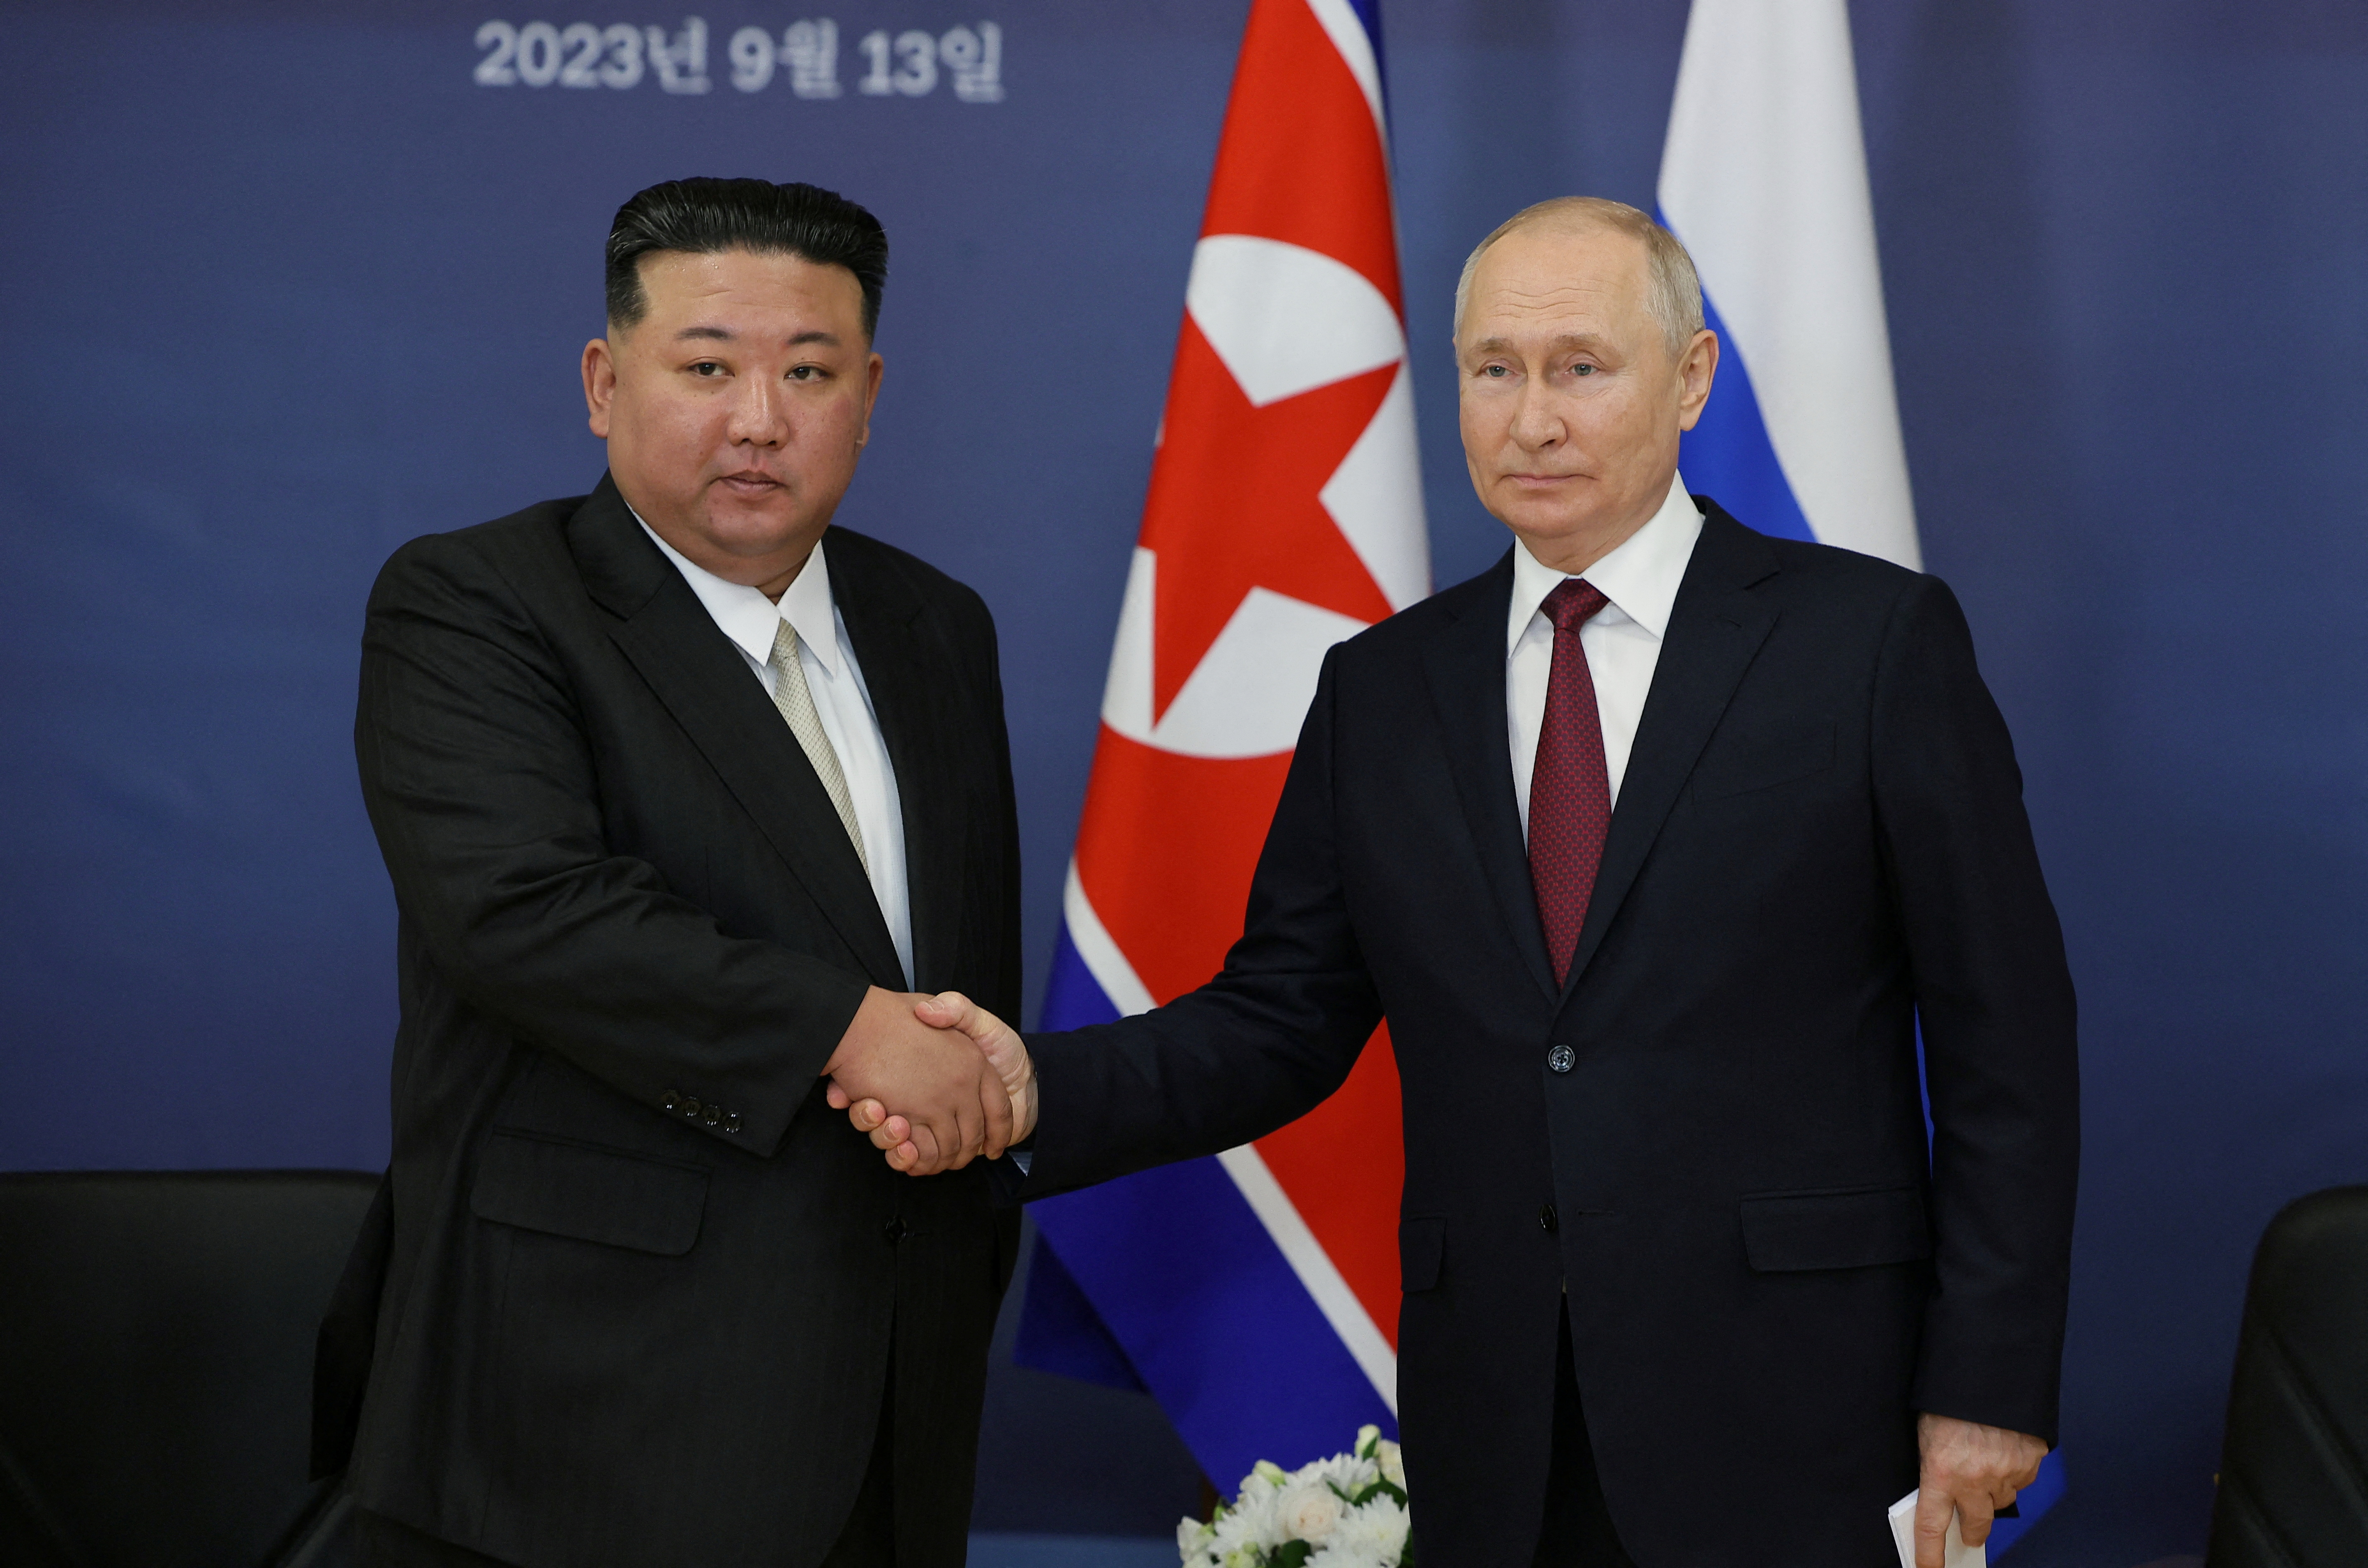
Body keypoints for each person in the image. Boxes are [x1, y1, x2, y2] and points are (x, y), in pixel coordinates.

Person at [843, 198, 2080, 1568]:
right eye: (1494, 369)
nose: (1531, 417)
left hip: (1800, 1410)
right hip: (1498, 1422)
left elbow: (2004, 1040)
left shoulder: (1869, 642)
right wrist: (1033, 1087)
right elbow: (1280, 1017)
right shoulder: (1384, 686)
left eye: (1580, 367)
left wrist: (1988, 1380)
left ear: (1691, 379)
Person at [331, 178, 1023, 1568]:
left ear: (870, 393)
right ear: (603, 380)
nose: (760, 417)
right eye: (707, 366)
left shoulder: (936, 624)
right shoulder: (478, 601)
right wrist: (854, 1031)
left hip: (896, 1404)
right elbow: (528, 917)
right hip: (587, 1414)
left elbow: (951, 981)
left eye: (809, 371)